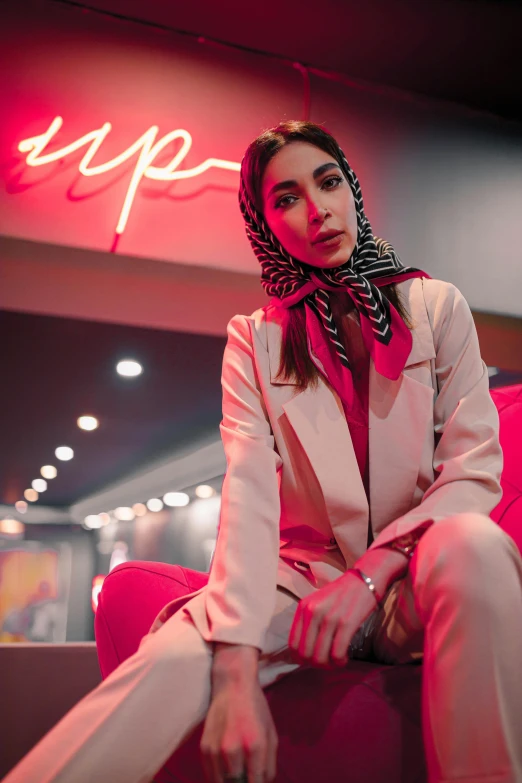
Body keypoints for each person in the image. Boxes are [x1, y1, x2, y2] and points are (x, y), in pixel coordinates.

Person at [4, 121, 522, 783]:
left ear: (352, 191)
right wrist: (236, 671)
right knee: (170, 659)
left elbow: (473, 470)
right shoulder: (254, 340)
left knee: (472, 543)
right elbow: (247, 496)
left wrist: (369, 578)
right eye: (286, 198)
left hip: (413, 575)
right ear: (264, 224)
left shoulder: (437, 305)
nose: (317, 210)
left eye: (328, 182)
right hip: (300, 583)